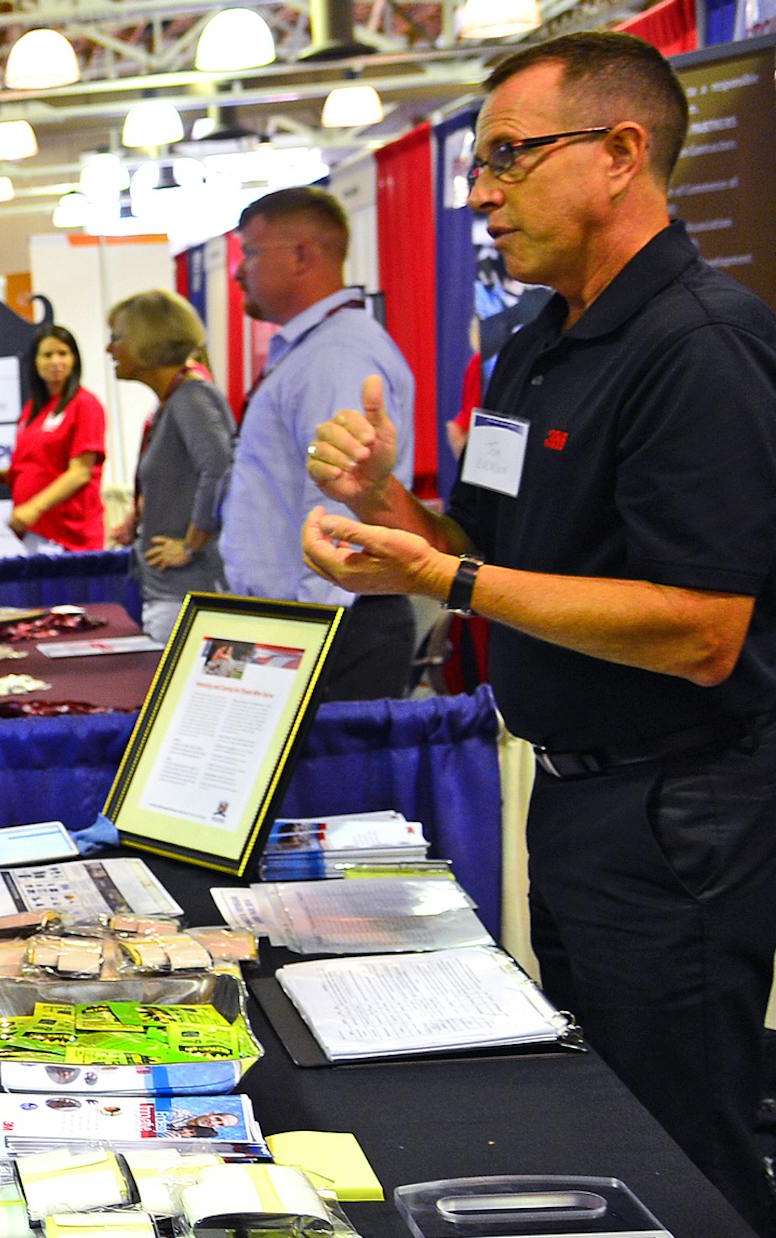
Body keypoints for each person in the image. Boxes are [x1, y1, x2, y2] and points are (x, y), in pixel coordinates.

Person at [302, 32, 776, 1233]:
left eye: (511, 157)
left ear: (622, 155)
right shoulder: (534, 344)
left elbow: (703, 630)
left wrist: (448, 576)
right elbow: (488, 548)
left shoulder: (702, 350)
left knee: (682, 1132)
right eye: (478, 162)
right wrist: (388, 516)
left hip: (682, 814)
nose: (481, 193)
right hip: (567, 797)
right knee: (606, 1119)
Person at [222, 186, 417, 701]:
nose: (239, 272)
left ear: (302, 255)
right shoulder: (313, 349)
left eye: (250, 253)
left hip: (331, 626)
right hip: (310, 623)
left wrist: (305, 636)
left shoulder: (338, 354)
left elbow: (338, 504)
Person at [107, 289, 234, 644]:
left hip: (187, 593)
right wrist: (141, 515)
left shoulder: (192, 397)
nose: (110, 350)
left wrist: (191, 544)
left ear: (149, 341)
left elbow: (220, 468)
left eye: (117, 338)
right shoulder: (175, 401)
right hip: (171, 591)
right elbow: (183, 475)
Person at [0, 324, 107, 551]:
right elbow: (36, 465)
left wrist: (34, 507)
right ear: (35, 361)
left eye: (62, 353)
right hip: (36, 533)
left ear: (74, 359)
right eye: (47, 355)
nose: (56, 362)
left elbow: (80, 472)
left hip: (70, 536)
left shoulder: (85, 404)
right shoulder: (32, 410)